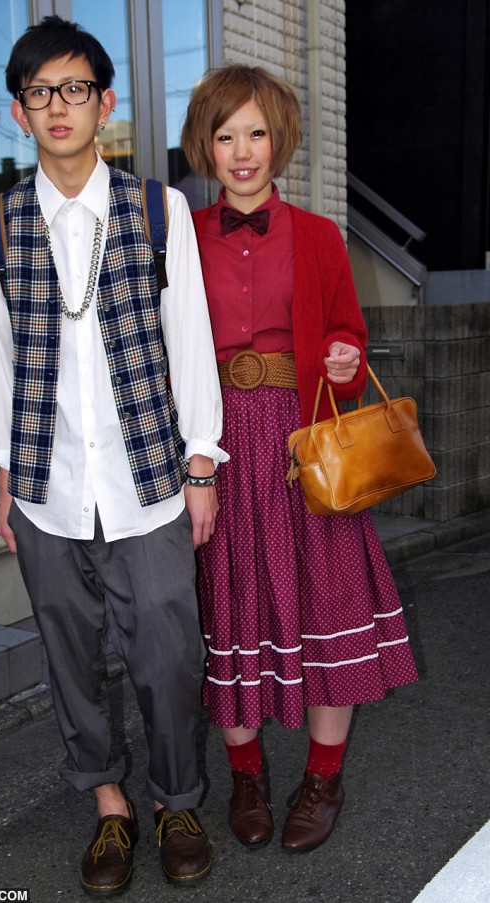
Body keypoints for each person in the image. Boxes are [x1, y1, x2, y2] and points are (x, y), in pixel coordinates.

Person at [0, 16, 228, 897]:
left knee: (167, 652)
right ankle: (111, 805)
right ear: (18, 112)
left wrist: (202, 465)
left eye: (75, 88)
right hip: (45, 488)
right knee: (71, 654)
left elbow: (188, 339)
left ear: (104, 102)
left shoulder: (159, 210)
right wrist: (4, 473)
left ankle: (177, 800)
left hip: (150, 480)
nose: (59, 106)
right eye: (42, 93)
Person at [180, 65, 418, 853]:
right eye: (226, 135)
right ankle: (246, 774)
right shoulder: (179, 240)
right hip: (217, 442)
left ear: (280, 140)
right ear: (205, 145)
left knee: (329, 600)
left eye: (257, 133)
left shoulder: (319, 235)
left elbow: (347, 329)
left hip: (304, 440)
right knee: (232, 603)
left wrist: (346, 356)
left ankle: (322, 775)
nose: (243, 151)